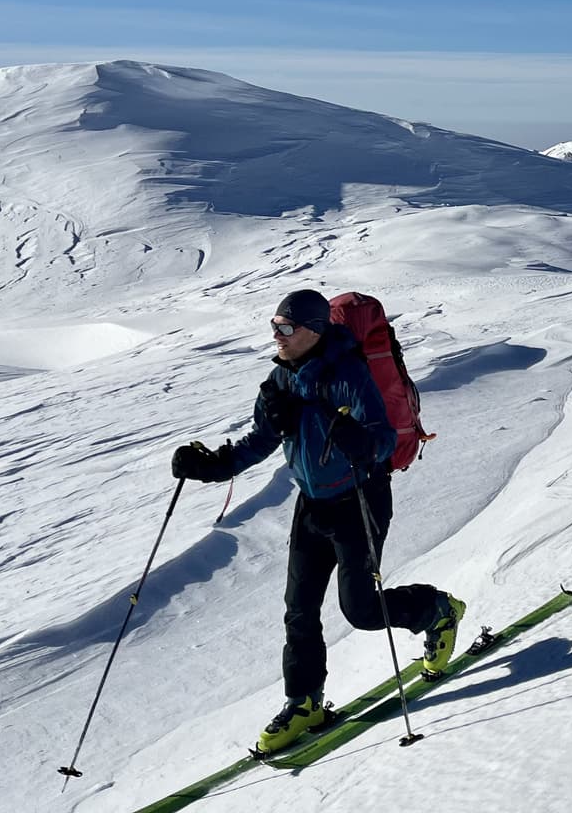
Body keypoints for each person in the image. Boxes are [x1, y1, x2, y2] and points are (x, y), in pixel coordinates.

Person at [170, 289, 465, 756]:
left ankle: (435, 610)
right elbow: (258, 441)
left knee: (361, 610)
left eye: (286, 327)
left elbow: (382, 438)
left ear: (314, 329)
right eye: (274, 325)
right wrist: (212, 465)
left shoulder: (348, 373)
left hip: (359, 500)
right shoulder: (278, 381)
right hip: (311, 506)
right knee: (299, 610)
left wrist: (353, 437)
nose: (277, 335)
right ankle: (304, 702)